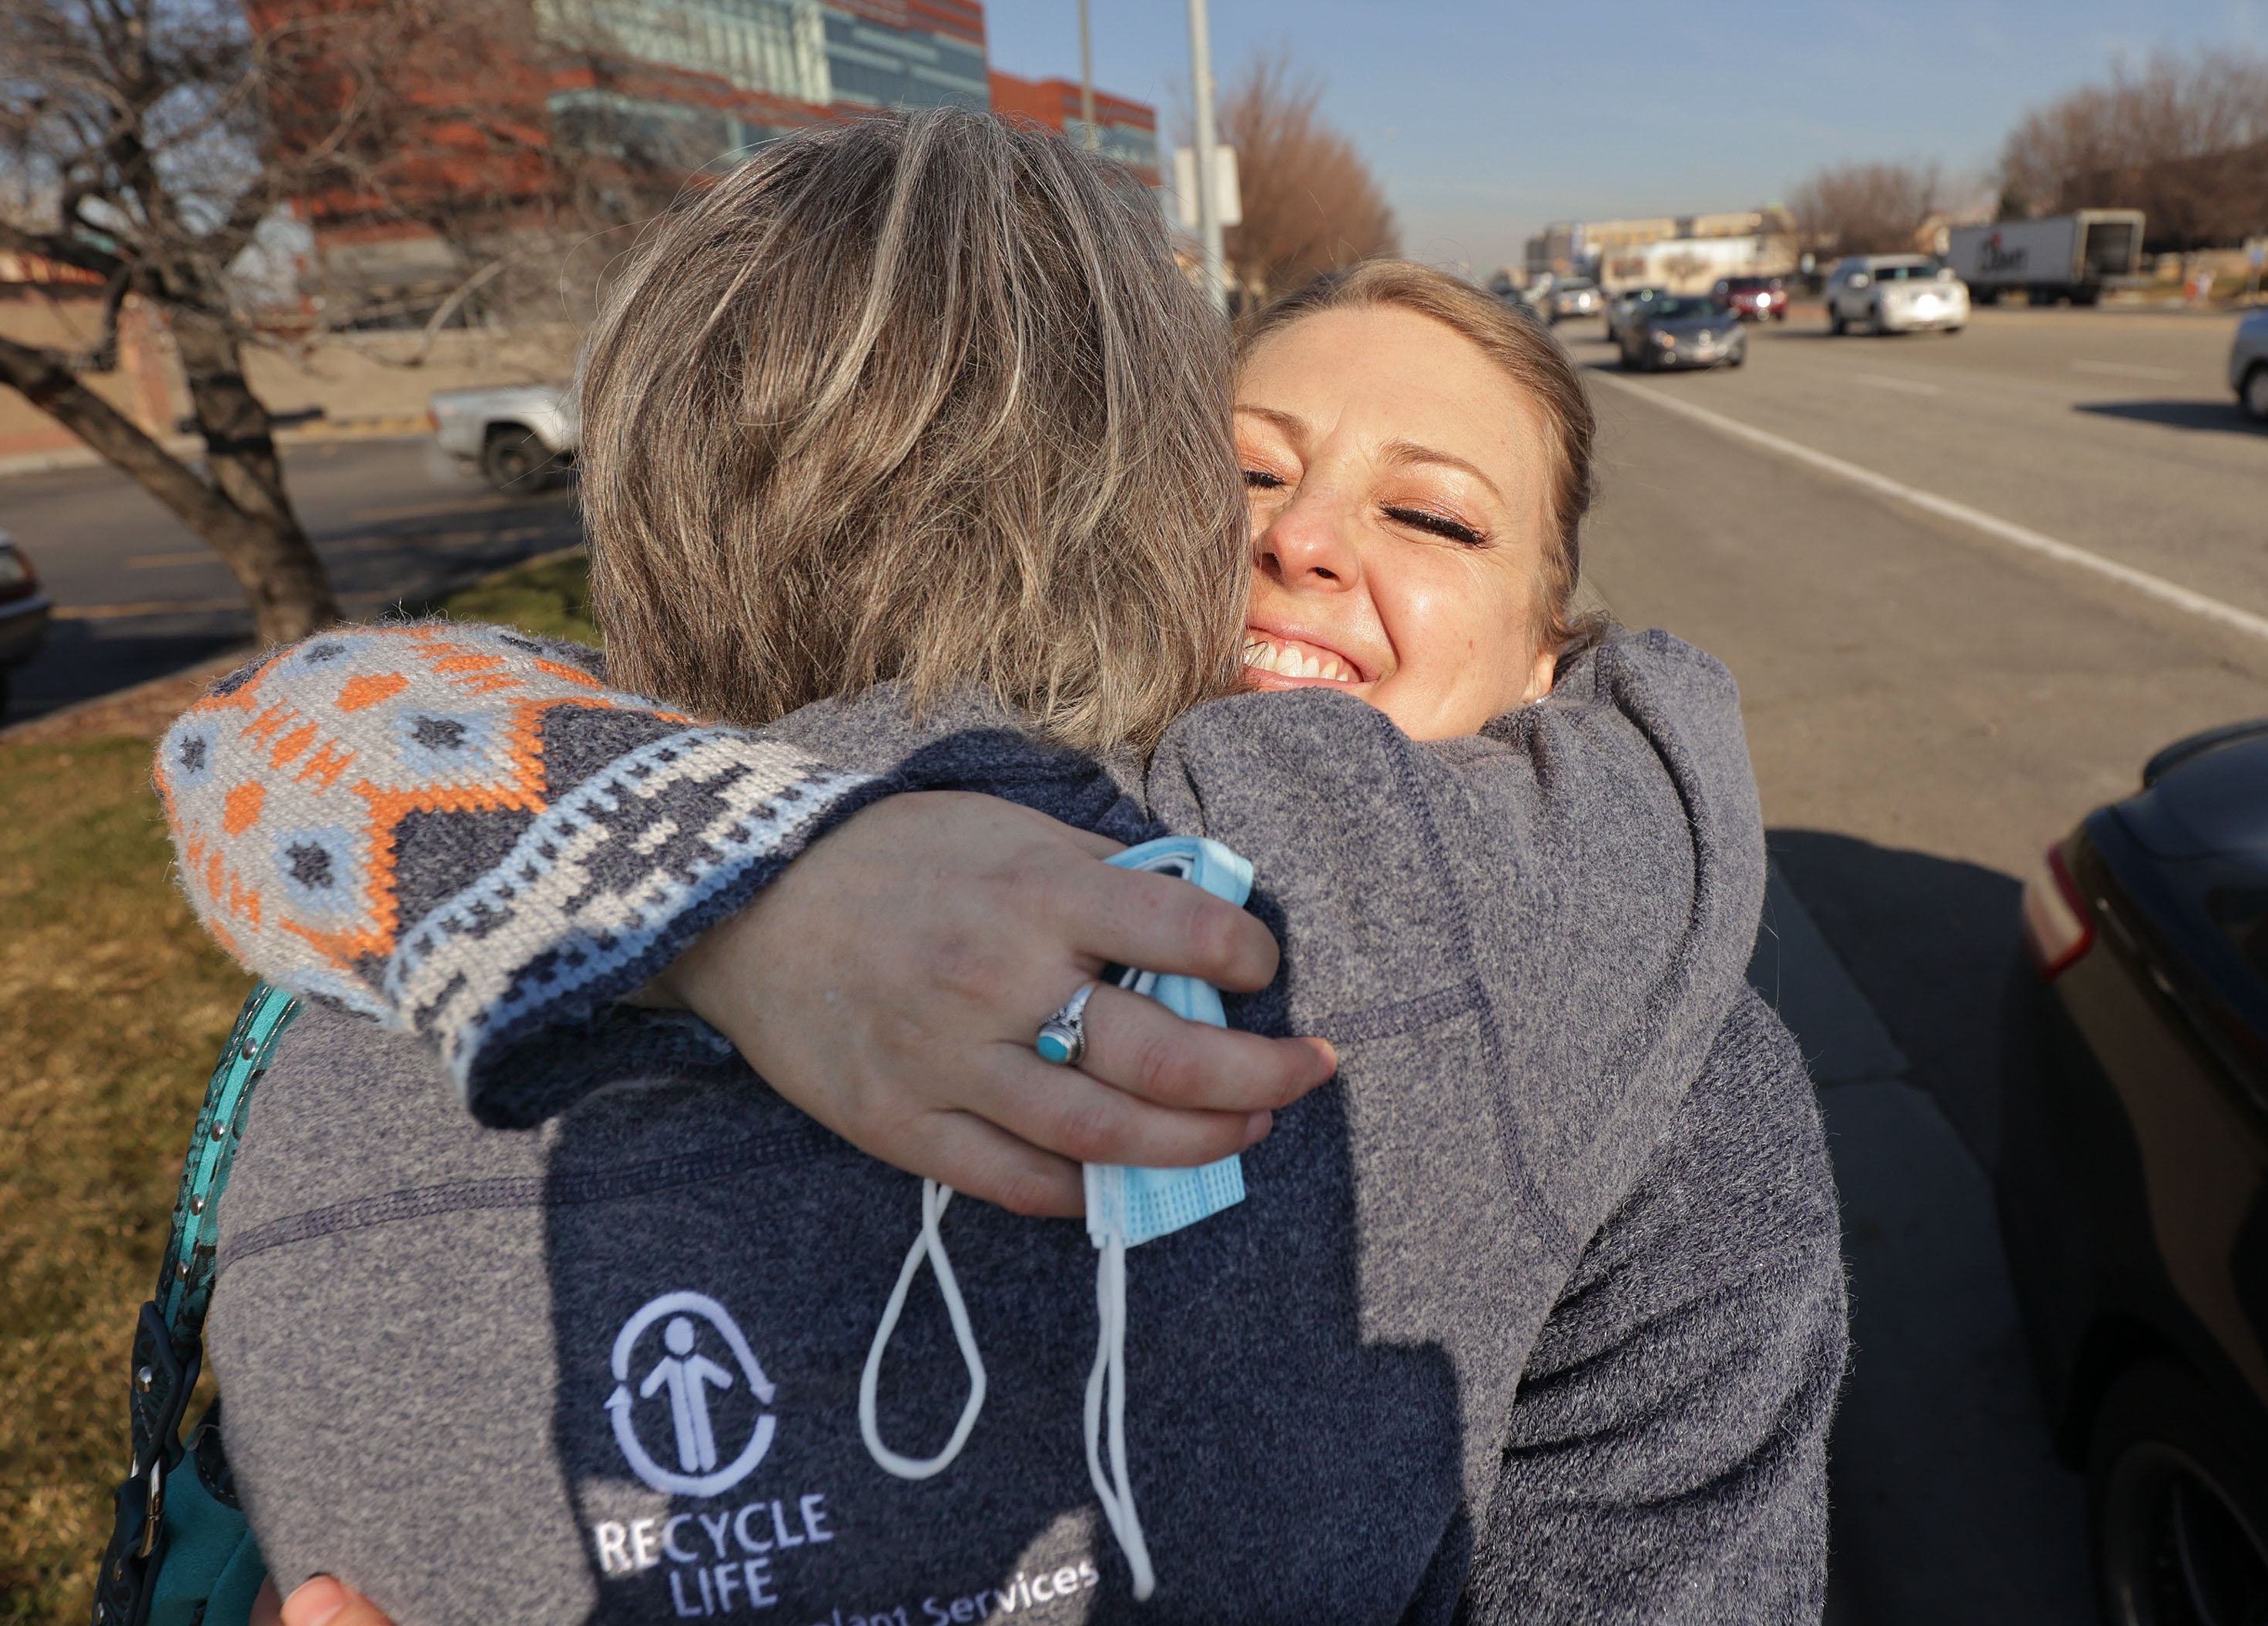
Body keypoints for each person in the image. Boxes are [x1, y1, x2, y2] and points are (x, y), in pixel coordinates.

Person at [167, 110, 1841, 1621]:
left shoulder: (377, 1015)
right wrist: (762, 883)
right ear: (1143, 506)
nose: (1301, 538)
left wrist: (714, 880)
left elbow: (277, 740)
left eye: (1437, 517)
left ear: (1558, 653)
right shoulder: (1575, 983)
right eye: (1246, 473)